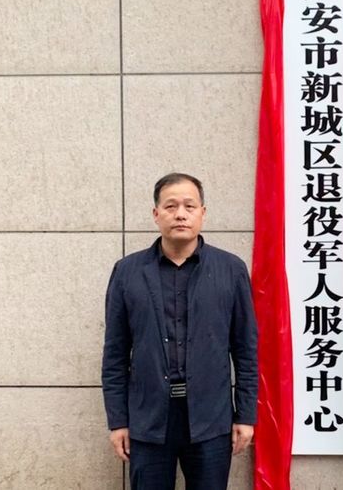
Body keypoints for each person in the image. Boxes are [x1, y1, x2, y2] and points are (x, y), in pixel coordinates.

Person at [102, 173, 258, 489]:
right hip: (148, 420)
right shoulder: (128, 272)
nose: (180, 214)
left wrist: (245, 414)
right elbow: (115, 355)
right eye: (171, 206)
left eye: (189, 206)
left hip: (211, 418)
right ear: (156, 214)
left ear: (203, 213)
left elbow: (246, 350)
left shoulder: (230, 270)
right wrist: (118, 420)